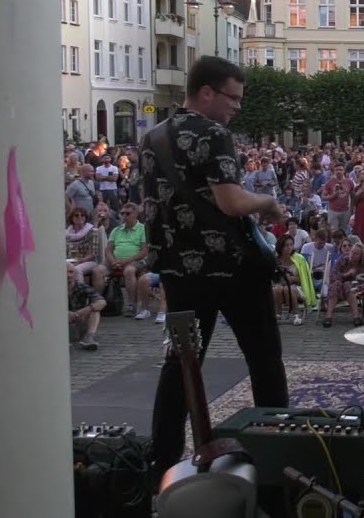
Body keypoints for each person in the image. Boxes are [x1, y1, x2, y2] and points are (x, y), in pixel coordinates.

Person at [142, 56, 290, 475]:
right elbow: (231, 201)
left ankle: (164, 462)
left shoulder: (152, 137)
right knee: (263, 359)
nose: (237, 107)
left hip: (178, 271)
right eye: (233, 97)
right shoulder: (214, 134)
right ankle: (276, 448)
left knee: (181, 366)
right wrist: (268, 203)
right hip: (231, 269)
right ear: (206, 92)